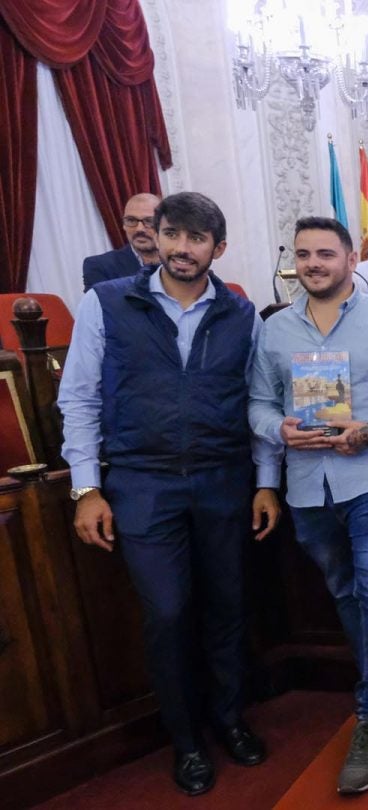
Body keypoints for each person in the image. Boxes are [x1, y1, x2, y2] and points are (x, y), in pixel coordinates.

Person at [59, 191, 280, 797]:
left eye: (197, 239)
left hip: (223, 479)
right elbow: (76, 398)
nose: (183, 248)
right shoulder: (107, 302)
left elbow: (257, 403)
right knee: (168, 613)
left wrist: (265, 483)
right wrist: (86, 488)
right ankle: (186, 742)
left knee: (229, 608)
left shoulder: (240, 314)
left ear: (218, 248)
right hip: (142, 484)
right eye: (173, 234)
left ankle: (230, 719)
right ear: (156, 235)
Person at [249, 216, 368, 795]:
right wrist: (279, 430)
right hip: (309, 484)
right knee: (344, 590)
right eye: (304, 254)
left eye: (325, 254)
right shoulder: (275, 331)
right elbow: (258, 407)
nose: (314, 263)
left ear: (350, 257)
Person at [82, 192, 161, 291]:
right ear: (123, 225)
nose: (139, 229)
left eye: (149, 221)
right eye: (131, 220)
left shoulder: (180, 262)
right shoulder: (100, 266)